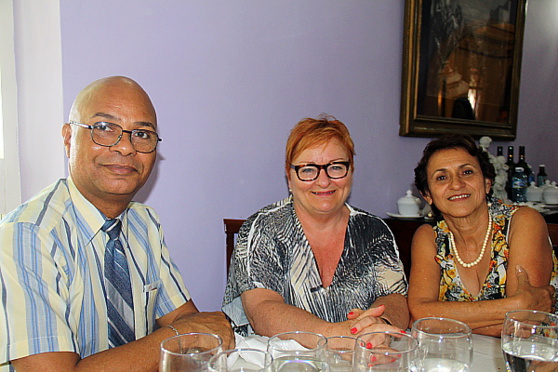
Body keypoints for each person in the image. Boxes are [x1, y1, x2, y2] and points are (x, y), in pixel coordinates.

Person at [0, 76, 234, 371]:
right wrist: (178, 336)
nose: (126, 147)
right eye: (105, 128)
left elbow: (186, 322)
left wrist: (184, 332)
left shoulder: (144, 224)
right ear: (68, 138)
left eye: (141, 134)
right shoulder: (26, 236)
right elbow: (185, 332)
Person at [222, 115, 409, 340]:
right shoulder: (262, 229)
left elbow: (395, 299)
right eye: (309, 169)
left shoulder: (375, 231)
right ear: (289, 176)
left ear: (351, 171)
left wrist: (379, 325)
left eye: (336, 167)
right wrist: (338, 336)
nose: (323, 181)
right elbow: (262, 310)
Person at [408, 134, 557, 336]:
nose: (456, 184)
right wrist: (517, 304)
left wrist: (442, 322)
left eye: (467, 172)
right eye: (442, 177)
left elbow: (524, 324)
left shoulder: (523, 222)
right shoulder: (429, 237)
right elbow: (420, 316)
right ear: (427, 195)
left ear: (487, 183)